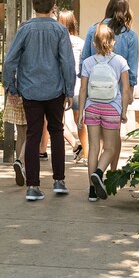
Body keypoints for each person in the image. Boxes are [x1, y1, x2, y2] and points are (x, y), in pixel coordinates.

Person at [2, 0, 76, 201]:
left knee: (33, 135)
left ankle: (33, 186)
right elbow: (67, 62)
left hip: (30, 90)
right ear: (53, 7)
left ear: (34, 6)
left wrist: (11, 87)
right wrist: (69, 90)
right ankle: (59, 181)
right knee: (57, 132)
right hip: (55, 90)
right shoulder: (60, 31)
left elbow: (9, 61)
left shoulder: (24, 30)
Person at [78, 23, 132, 202]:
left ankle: (92, 191)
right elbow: (125, 90)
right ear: (113, 41)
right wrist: (123, 111)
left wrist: (80, 114)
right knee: (110, 148)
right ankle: (100, 172)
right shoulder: (120, 62)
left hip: (92, 108)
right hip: (111, 108)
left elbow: (83, 89)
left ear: (94, 43)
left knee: (93, 148)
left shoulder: (88, 62)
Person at [80, 0, 139, 151]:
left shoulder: (94, 29)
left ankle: (98, 169)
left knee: (96, 136)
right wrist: (130, 90)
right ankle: (112, 171)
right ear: (126, 12)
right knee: (114, 134)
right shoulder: (131, 36)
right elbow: (132, 68)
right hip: (118, 93)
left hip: (93, 91)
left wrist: (83, 86)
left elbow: (84, 59)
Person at [56, 9, 86, 163]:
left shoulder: (58, 40)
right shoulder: (81, 42)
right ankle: (86, 152)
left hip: (61, 85)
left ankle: (75, 146)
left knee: (57, 121)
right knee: (80, 121)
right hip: (78, 86)